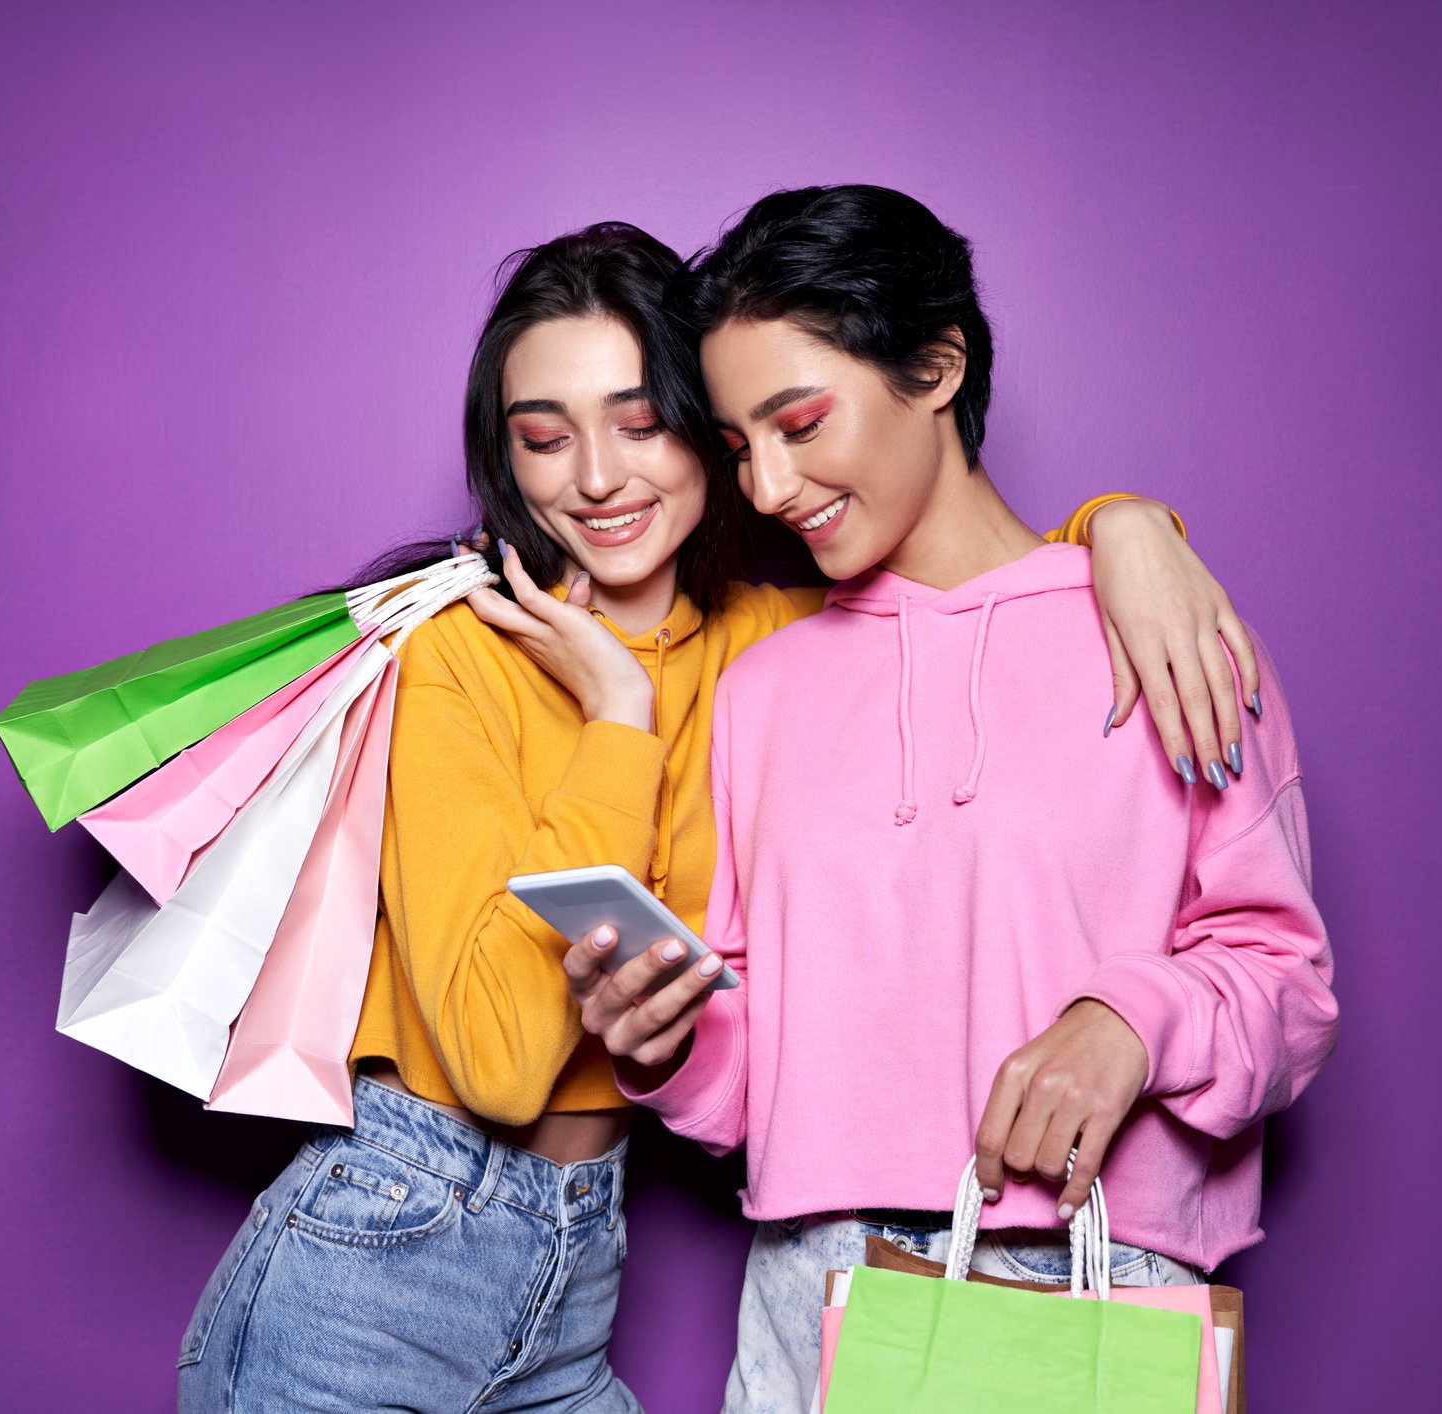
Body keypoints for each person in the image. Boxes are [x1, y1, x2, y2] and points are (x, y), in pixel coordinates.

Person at [177, 219, 1261, 1412]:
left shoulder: (777, 642)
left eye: (641, 426)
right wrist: (619, 718)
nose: (594, 477)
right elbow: (499, 1062)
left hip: (580, 1277)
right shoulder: (462, 656)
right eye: (544, 438)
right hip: (385, 1242)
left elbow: (960, 591)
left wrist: (1124, 527)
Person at [566, 186, 1339, 1412]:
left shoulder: (1165, 630)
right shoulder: (760, 690)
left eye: (800, 421)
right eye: (736, 443)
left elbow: (1289, 991)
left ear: (936, 366)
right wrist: (667, 1040)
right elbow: (753, 1074)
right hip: (812, 1294)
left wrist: (1132, 1019)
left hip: (1093, 1291)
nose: (766, 485)